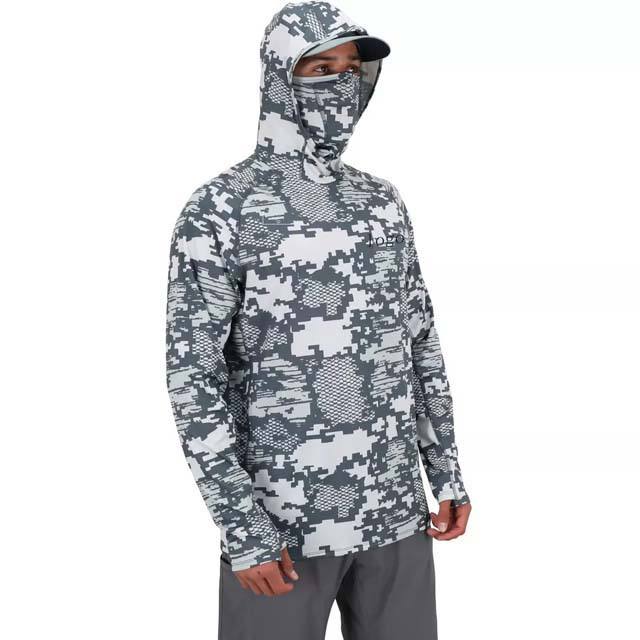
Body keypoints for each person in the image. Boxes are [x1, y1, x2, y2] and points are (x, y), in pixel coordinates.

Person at [165, 2, 471, 638]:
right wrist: (241, 524)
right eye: (321, 67)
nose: (342, 83)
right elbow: (193, 378)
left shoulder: (381, 202)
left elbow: (419, 342)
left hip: (396, 515)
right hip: (282, 528)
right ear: (281, 76)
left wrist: (444, 469)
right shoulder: (221, 208)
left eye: (352, 68)